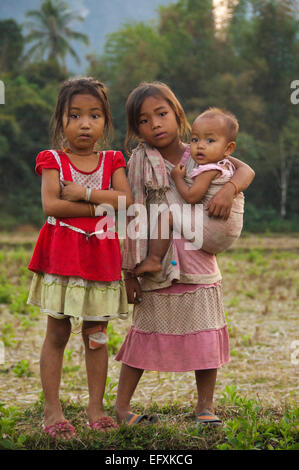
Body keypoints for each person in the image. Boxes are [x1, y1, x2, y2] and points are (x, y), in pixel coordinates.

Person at [114, 81, 254, 427]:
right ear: (135, 129)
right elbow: (131, 213)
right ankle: (121, 408)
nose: (155, 125)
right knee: (144, 334)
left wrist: (229, 190)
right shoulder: (140, 162)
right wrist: (129, 271)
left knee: (205, 332)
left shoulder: (202, 151)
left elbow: (246, 170)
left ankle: (204, 407)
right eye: (144, 121)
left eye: (161, 114)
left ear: (178, 115)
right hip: (156, 264)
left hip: (199, 259)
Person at [27, 76, 133, 439]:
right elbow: (51, 204)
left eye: (94, 115)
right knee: (57, 332)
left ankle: (96, 408)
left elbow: (126, 202)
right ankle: (52, 410)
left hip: (101, 258)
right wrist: (100, 203)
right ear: (62, 120)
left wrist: (84, 194)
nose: (85, 124)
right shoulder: (52, 159)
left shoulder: (113, 159)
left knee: (96, 334)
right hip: (62, 257)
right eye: (75, 115)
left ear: (105, 121)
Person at [134, 106, 244, 275]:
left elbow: (192, 196)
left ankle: (154, 259)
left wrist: (177, 177)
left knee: (166, 216)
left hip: (212, 227)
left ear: (228, 149)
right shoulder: (227, 166)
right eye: (194, 139)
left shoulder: (208, 170)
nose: (200, 146)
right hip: (226, 231)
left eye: (210, 141)